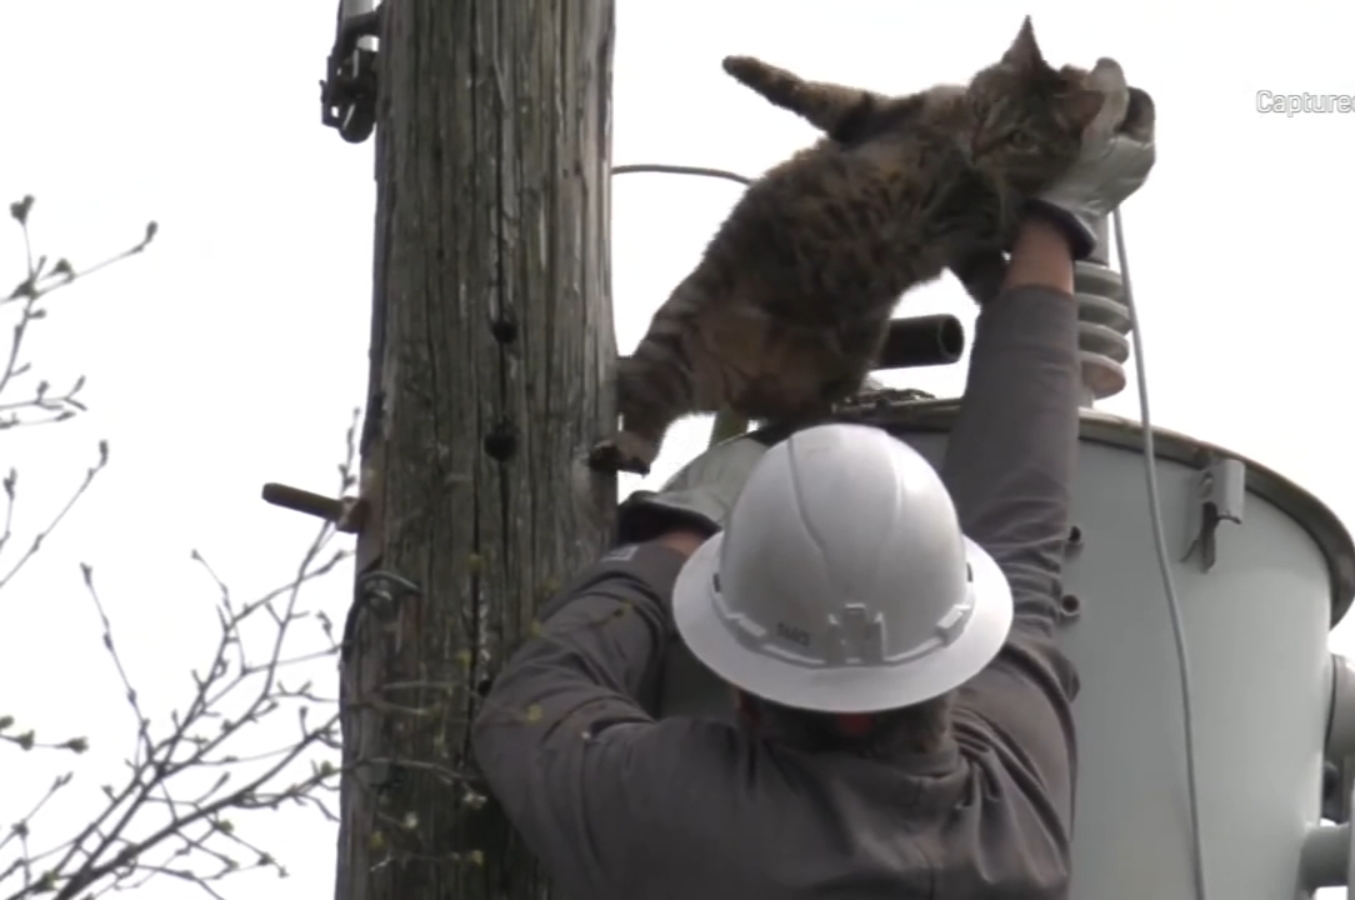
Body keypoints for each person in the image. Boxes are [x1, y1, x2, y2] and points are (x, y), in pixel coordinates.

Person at [472, 57, 1157, 900]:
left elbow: (530, 706)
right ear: (949, 659)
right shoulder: (1010, 811)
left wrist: (677, 533)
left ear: (739, 690)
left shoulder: (678, 809)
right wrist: (1059, 222)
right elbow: (1018, 532)